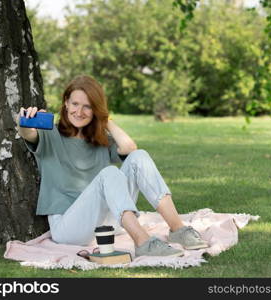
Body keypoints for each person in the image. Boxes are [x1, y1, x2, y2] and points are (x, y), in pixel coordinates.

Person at [17, 75, 208, 257]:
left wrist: (105, 120)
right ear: (66, 102)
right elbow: (27, 133)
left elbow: (130, 148)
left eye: (88, 107)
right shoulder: (49, 134)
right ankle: (143, 242)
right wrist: (24, 121)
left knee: (139, 156)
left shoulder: (100, 141)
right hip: (69, 228)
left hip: (109, 223)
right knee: (109, 173)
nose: (79, 112)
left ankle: (178, 229)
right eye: (75, 104)